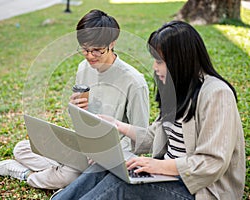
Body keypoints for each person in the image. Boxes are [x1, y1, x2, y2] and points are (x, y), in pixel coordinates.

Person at [51, 20, 246, 200]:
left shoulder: (217, 94)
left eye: (159, 61)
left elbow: (212, 162)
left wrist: (159, 166)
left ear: (181, 60)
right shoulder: (177, 88)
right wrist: (118, 126)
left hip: (202, 190)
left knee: (123, 184)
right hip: (166, 175)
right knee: (105, 167)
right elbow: (155, 135)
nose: (154, 67)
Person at [0, 9, 149, 190]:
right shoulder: (83, 68)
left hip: (111, 156)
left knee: (69, 175)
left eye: (97, 50)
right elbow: (81, 118)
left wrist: (105, 153)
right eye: (84, 49)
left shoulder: (134, 82)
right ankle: (62, 170)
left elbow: (141, 137)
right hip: (83, 147)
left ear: (112, 43)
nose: (90, 56)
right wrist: (74, 107)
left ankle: (26, 175)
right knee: (22, 148)